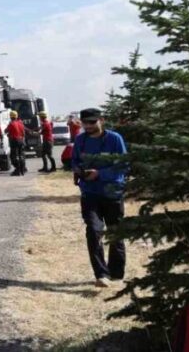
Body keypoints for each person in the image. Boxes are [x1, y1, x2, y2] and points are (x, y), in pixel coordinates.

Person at [71, 107, 127, 287]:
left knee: (115, 233)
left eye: (91, 122)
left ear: (101, 120)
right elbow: (74, 161)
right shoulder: (80, 140)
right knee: (94, 231)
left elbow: (123, 165)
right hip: (90, 193)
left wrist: (99, 174)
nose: (87, 126)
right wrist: (78, 170)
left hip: (112, 193)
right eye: (84, 123)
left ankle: (116, 273)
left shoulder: (114, 139)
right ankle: (101, 274)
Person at [6, 110, 27, 176]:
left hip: (14, 141)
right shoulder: (20, 123)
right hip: (21, 140)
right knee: (21, 155)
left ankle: (17, 170)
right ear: (16, 116)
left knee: (13, 156)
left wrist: (9, 134)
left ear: (10, 117)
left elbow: (6, 130)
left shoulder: (11, 124)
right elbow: (23, 133)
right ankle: (22, 170)